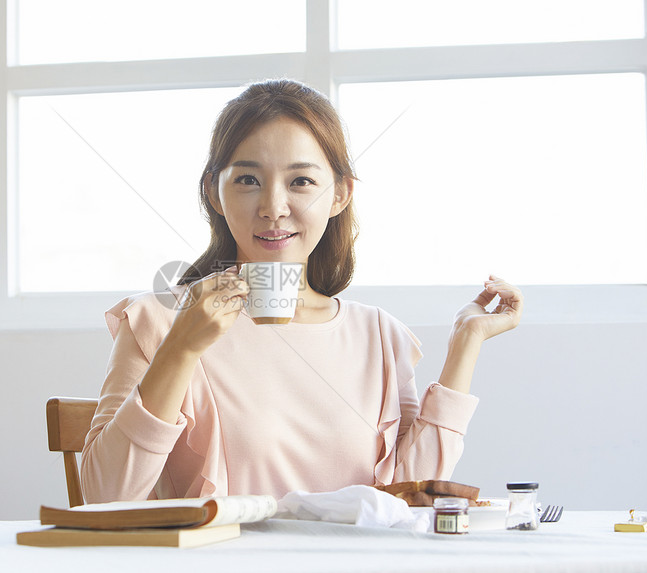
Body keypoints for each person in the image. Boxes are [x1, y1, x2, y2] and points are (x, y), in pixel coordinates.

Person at [81, 79, 523, 503]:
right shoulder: (156, 320)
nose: (274, 207)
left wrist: (466, 341)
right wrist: (179, 348)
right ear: (213, 192)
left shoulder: (380, 336)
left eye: (301, 182)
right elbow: (105, 498)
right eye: (248, 180)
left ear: (340, 194)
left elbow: (405, 498)